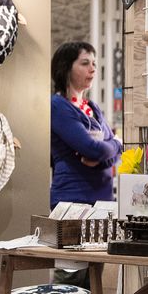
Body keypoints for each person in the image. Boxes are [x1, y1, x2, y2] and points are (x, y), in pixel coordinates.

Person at [50, 41, 122, 209]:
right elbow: (93, 149)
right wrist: (115, 144)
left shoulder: (93, 107)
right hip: (72, 201)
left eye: (94, 64)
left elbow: (109, 154)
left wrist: (101, 157)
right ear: (66, 68)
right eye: (85, 63)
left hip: (104, 200)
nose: (93, 68)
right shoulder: (58, 105)